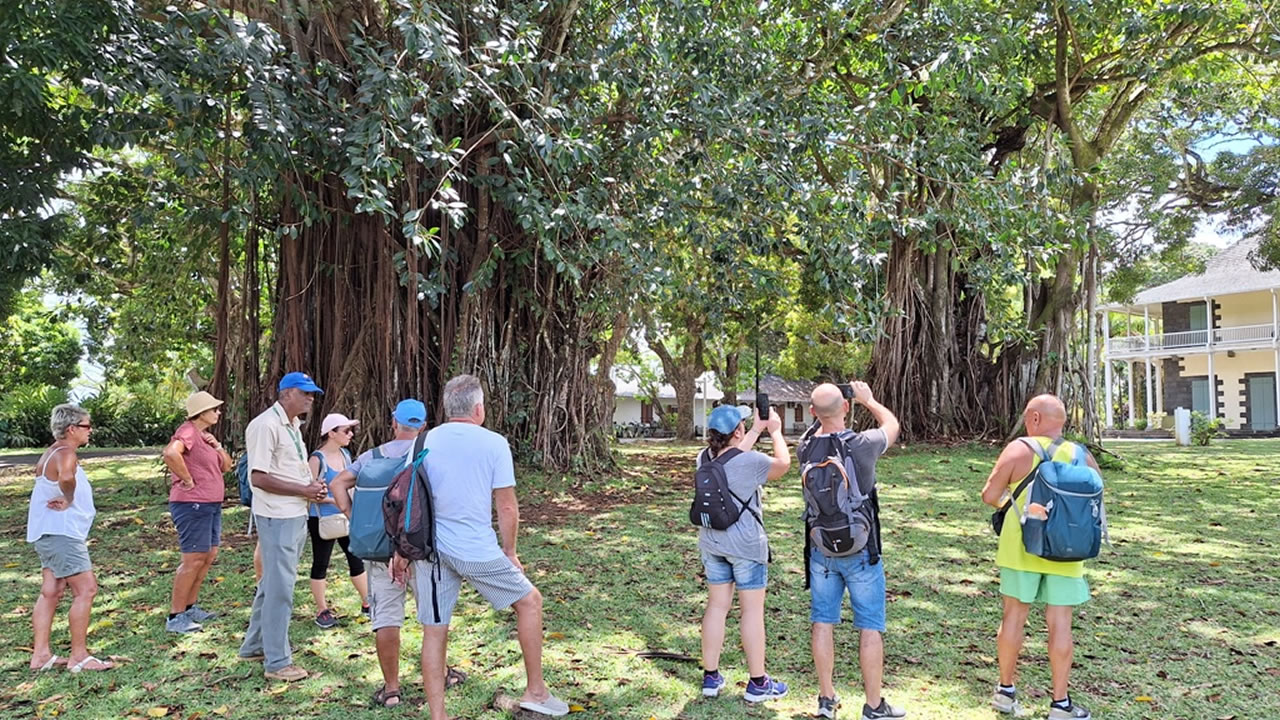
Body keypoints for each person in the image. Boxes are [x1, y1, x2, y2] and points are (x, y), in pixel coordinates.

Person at [420, 375, 568, 719]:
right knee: (530, 602)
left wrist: (402, 551)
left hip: (430, 550)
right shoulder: (493, 443)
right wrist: (510, 551)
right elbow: (507, 506)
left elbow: (409, 499)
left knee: (434, 630)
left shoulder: (424, 441)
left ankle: (438, 716)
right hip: (475, 549)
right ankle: (536, 691)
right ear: (478, 409)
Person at [331, 398, 466, 708]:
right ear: (424, 426)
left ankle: (391, 690)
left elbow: (338, 484)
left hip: (380, 550)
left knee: (386, 619)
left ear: (394, 423)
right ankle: (442, 673)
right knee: (432, 617)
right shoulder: (431, 456)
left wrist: (354, 517)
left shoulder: (371, 456)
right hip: (421, 550)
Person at [981, 394, 1098, 720]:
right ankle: (1060, 704)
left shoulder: (1019, 450)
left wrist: (1016, 507)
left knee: (1013, 617)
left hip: (1021, 546)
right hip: (1067, 550)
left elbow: (990, 495)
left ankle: (1005, 691)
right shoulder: (1082, 455)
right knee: (1060, 624)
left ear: (1034, 418)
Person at [801, 381, 904, 720]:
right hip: (861, 550)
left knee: (823, 622)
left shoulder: (804, 448)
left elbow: (820, 426)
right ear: (846, 407)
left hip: (821, 550)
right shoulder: (862, 445)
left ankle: (826, 699)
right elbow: (892, 425)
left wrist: (822, 413)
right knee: (869, 626)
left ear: (812, 412)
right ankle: (873, 706)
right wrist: (869, 400)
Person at [696, 404, 791, 703]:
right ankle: (758, 682)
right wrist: (775, 432)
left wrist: (755, 430)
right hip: (746, 546)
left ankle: (711, 677)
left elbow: (732, 456)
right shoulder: (752, 461)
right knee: (751, 611)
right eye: (743, 425)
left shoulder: (703, 458)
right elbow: (783, 465)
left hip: (712, 543)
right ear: (737, 432)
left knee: (716, 607)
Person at [237, 372, 328, 681]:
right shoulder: (266, 425)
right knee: (281, 588)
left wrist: (311, 487)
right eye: (305, 393)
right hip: (278, 516)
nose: (310, 398)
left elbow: (287, 469)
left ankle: (254, 645)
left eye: (313, 394)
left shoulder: (292, 426)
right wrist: (304, 489)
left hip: (294, 512)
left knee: (272, 583)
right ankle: (277, 662)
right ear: (286, 393)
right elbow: (258, 477)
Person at [26, 403, 113, 672]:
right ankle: (79, 657)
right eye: (87, 425)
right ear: (72, 429)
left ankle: (41, 655)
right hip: (62, 533)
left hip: (49, 532)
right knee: (86, 589)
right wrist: (69, 498)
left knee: (51, 591)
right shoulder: (66, 454)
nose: (90, 430)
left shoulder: (52, 452)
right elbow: (66, 478)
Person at [161, 391, 233, 633]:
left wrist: (218, 446)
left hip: (210, 504)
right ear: (201, 412)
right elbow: (170, 453)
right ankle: (176, 616)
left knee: (208, 555)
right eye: (214, 409)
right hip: (193, 504)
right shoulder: (188, 431)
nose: (218, 412)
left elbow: (227, 466)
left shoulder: (203, 437)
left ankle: (189, 607)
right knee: (192, 560)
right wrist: (187, 479)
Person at [306, 412, 370, 628]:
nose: (351, 434)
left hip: (346, 516)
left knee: (356, 558)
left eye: (351, 430)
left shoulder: (346, 455)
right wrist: (335, 501)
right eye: (346, 430)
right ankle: (322, 610)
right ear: (331, 433)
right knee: (321, 562)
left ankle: (367, 602)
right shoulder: (317, 459)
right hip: (322, 518)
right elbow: (309, 492)